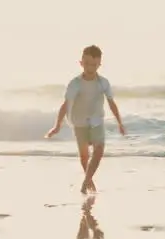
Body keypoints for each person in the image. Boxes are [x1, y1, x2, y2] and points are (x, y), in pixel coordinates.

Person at [45, 45, 126, 194]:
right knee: (84, 156)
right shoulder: (75, 84)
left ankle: (85, 183)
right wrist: (57, 126)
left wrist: (120, 122)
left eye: (94, 64)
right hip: (79, 121)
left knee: (99, 150)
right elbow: (65, 105)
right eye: (87, 63)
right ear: (81, 62)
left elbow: (111, 102)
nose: (90, 67)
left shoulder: (103, 82)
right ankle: (89, 181)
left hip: (96, 120)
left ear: (99, 64)